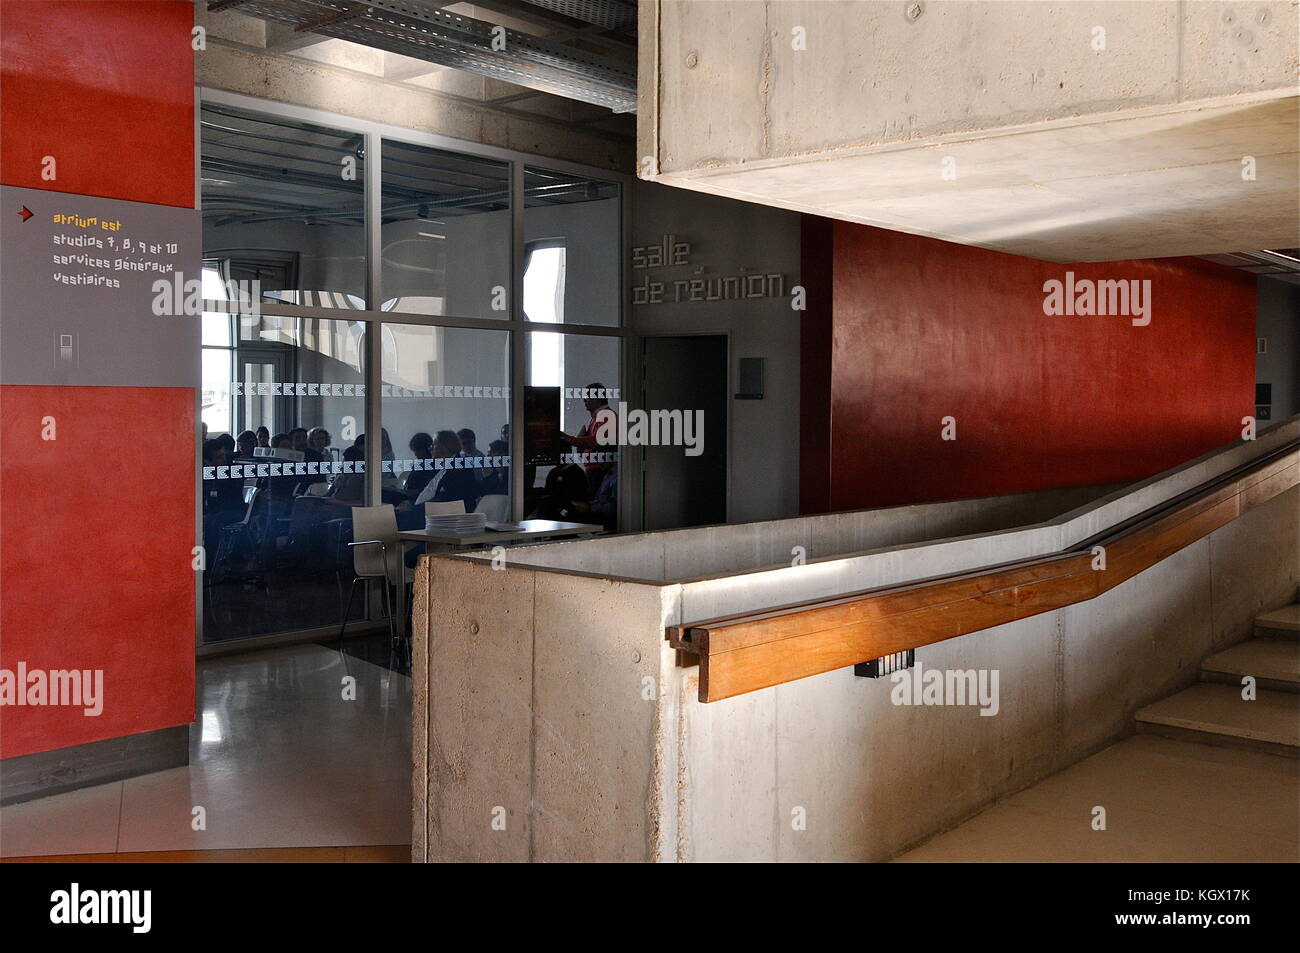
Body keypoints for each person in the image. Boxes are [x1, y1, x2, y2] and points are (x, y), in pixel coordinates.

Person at [560, 382, 616, 495]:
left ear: (597, 399)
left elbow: (596, 441)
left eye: (586, 398)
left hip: (599, 468)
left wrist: (567, 438)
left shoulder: (606, 416)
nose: (584, 401)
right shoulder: (597, 417)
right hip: (595, 467)